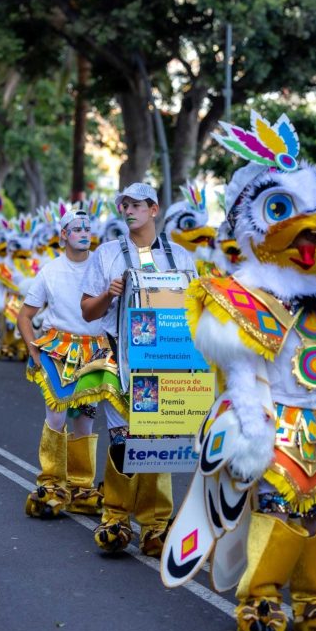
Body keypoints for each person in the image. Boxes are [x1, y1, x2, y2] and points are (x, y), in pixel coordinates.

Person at [162, 111, 316, 631]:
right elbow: (243, 374)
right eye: (279, 209)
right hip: (276, 423)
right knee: (276, 511)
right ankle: (261, 600)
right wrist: (252, 431)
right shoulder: (244, 298)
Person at [80, 181, 197, 557]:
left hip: (165, 361)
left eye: (136, 204)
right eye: (124, 205)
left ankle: (155, 526)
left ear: (154, 208)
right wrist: (108, 294)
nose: (129, 210)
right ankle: (115, 516)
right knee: (125, 440)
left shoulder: (180, 257)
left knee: (158, 443)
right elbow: (87, 311)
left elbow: (194, 313)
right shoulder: (107, 255)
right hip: (118, 357)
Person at [19, 206, 106, 518]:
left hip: (94, 353)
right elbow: (25, 316)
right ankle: (53, 483)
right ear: (63, 236)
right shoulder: (50, 271)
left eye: (87, 229)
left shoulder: (102, 266)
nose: (84, 233)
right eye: (77, 229)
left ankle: (82, 487)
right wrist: (33, 352)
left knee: (85, 419)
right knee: (56, 418)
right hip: (58, 352)